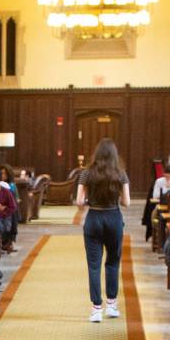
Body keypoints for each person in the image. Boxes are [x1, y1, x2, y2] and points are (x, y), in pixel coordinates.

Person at [73, 137, 131, 322]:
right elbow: (127, 202)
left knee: (94, 265)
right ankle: (112, 305)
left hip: (94, 218)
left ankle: (96, 309)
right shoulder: (120, 173)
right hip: (114, 217)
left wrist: (89, 202)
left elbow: (80, 202)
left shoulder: (87, 173)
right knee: (113, 262)